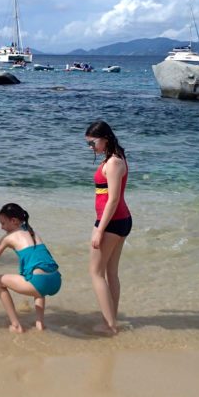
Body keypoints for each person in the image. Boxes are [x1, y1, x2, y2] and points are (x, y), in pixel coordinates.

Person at [0, 203, 61, 333]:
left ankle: (16, 325)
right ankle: (40, 324)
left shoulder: (8, 238)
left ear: (14, 221)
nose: (1, 227)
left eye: (3, 223)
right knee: (36, 277)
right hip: (56, 280)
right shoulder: (32, 232)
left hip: (40, 283)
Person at [85, 120, 131, 335]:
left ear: (105, 138)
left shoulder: (113, 163)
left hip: (111, 221)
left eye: (92, 143)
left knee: (95, 273)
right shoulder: (115, 159)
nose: (91, 148)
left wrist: (99, 230)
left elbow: (112, 200)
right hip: (118, 220)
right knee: (110, 272)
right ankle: (112, 319)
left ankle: (110, 325)